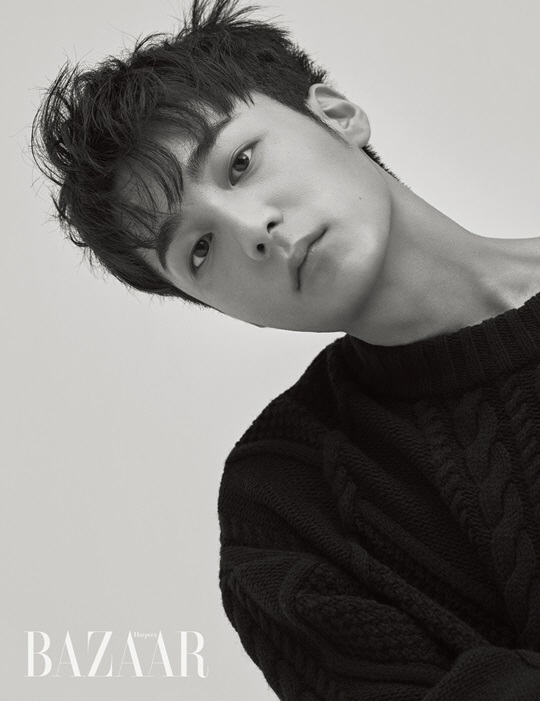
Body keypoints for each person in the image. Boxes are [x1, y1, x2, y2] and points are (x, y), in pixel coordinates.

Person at [31, 0, 540, 698]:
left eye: (240, 163)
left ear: (337, 115)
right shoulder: (285, 506)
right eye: (199, 250)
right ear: (218, 307)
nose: (253, 230)